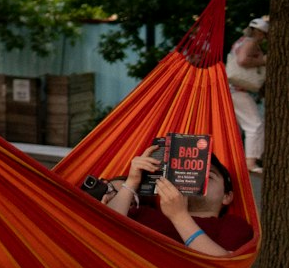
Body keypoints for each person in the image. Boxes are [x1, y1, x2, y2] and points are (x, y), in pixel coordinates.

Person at [102, 145, 253, 255]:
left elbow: (222, 266)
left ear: (227, 197)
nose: (196, 180)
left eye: (209, 176)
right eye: (190, 173)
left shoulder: (232, 225)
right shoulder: (144, 213)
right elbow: (104, 231)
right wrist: (132, 181)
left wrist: (179, 216)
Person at [227, 16, 268, 172]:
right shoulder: (250, 42)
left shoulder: (240, 41)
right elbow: (243, 60)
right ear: (260, 33)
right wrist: (263, 61)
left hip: (232, 89)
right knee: (254, 124)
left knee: (240, 126)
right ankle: (250, 162)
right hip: (238, 90)